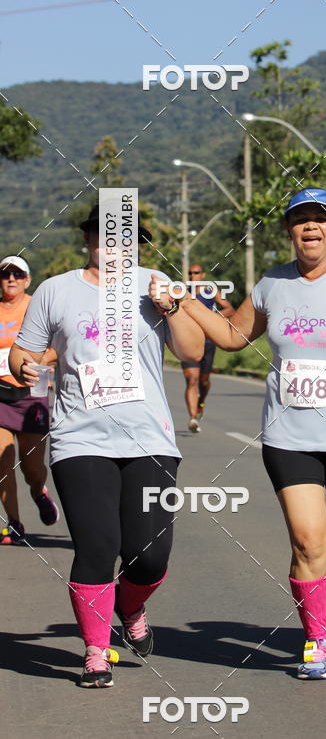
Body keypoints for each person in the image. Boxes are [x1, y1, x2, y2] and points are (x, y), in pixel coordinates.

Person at [166, 187, 326, 680]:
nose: (310, 226)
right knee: (309, 544)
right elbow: (233, 337)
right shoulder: (271, 284)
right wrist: (186, 301)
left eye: (320, 218)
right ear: (289, 230)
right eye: (300, 219)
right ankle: (316, 639)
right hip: (289, 438)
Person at [10, 204, 204, 688]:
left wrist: (172, 307)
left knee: (149, 556)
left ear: (137, 243)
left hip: (149, 439)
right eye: (102, 234)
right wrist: (24, 367)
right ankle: (97, 650)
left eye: (123, 237)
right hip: (80, 438)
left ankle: (131, 605)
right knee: (98, 545)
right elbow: (22, 352)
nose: (111, 244)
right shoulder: (56, 290)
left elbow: (193, 351)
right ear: (88, 238)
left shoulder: (156, 284)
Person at [0, 255, 59, 545]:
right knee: (2, 459)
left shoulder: (37, 305)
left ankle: (38, 491)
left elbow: (61, 343)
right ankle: (14, 523)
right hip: (0, 394)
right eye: (5, 274)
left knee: (32, 467)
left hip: (32, 394)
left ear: (27, 279)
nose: (11, 279)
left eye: (18, 274)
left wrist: (37, 362)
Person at [182, 263, 234, 432]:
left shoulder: (210, 291)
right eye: (190, 273)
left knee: (203, 381)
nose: (192, 276)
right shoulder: (182, 292)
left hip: (208, 342)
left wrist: (209, 317)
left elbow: (229, 309)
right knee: (192, 379)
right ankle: (192, 418)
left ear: (203, 275)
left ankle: (201, 401)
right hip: (188, 341)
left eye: (196, 273)